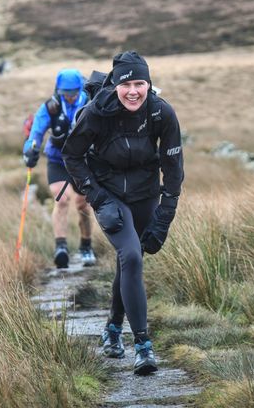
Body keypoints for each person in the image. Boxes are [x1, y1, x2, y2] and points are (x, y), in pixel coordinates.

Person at [62, 51, 184, 375]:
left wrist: (164, 216)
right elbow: (71, 155)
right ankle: (143, 346)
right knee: (130, 256)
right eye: (127, 83)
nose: (133, 91)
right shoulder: (97, 114)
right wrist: (97, 196)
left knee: (130, 260)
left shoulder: (162, 113)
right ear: (115, 84)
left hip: (145, 194)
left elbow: (173, 170)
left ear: (149, 84)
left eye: (140, 83)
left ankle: (112, 330)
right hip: (109, 193)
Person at [23, 68, 96, 268]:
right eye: (66, 93)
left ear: (80, 89)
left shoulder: (90, 103)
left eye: (73, 93)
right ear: (59, 90)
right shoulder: (51, 107)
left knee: (82, 204)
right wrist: (30, 149)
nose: (70, 97)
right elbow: (36, 132)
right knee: (60, 198)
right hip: (57, 159)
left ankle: (86, 245)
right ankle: (61, 247)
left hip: (82, 161)